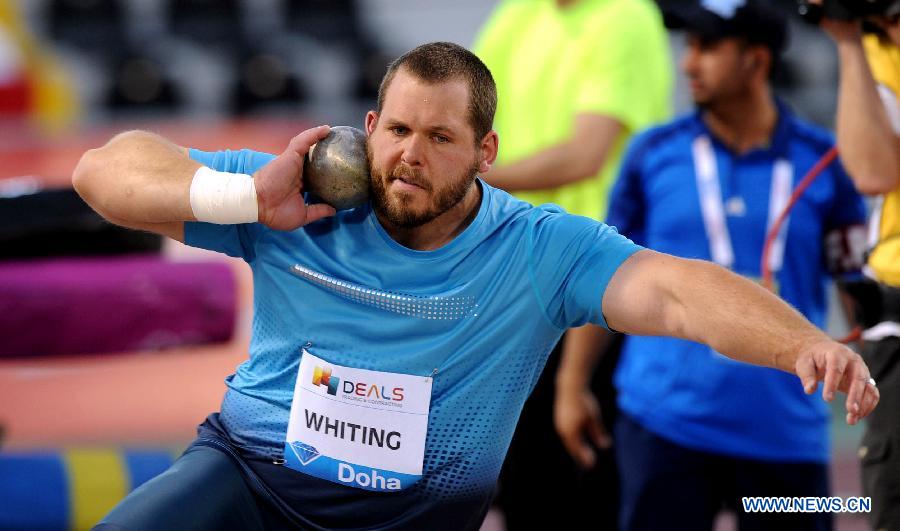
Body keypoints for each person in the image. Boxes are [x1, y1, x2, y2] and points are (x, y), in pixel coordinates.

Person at [73, 41, 877, 531]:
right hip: (245, 478)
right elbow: (102, 170)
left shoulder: (535, 249)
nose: (409, 155)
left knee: (806, 516)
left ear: (486, 150)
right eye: (395, 129)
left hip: (413, 523)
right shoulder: (296, 197)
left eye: (440, 137)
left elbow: (675, 290)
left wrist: (801, 340)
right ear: (368, 126)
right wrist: (243, 197)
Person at [554, 1, 870, 529]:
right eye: (688, 46)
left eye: (707, 47)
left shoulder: (826, 163)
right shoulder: (651, 154)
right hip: (665, 424)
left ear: (756, 59)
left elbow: (856, 291)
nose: (688, 63)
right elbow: (603, 277)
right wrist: (572, 384)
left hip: (786, 432)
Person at [471, 0, 673, 526]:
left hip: (601, 285)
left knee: (584, 491)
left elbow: (586, 155)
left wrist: (462, 184)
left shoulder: (627, 16)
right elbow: (465, 121)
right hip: (518, 280)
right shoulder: (519, 13)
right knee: (526, 487)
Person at [814, 3, 900, 529]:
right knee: (885, 504)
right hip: (893, 310)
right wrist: (848, 38)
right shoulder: (872, 49)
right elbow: (871, 170)